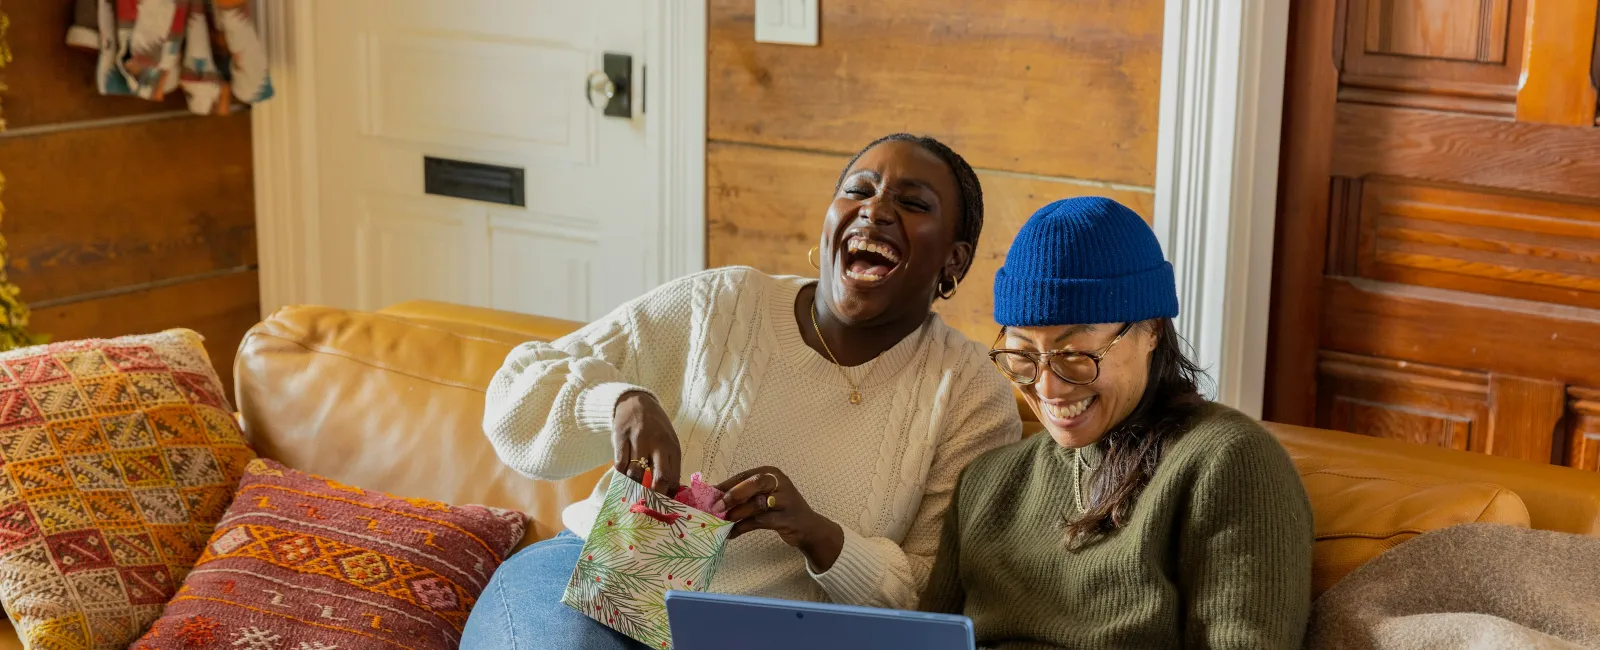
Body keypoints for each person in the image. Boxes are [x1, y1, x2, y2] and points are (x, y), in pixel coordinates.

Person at [461, 134, 1024, 649]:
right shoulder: (721, 305)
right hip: (597, 586)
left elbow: (937, 597)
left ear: (954, 260)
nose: (875, 209)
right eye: (859, 190)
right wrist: (616, 402)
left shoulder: (969, 391)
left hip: (769, 635)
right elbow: (515, 396)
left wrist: (821, 537)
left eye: (913, 202)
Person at [919, 197, 1314, 649]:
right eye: (1023, 357)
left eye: (1074, 354)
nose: (1047, 388)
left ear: (1151, 331)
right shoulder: (985, 483)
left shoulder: (1228, 463)